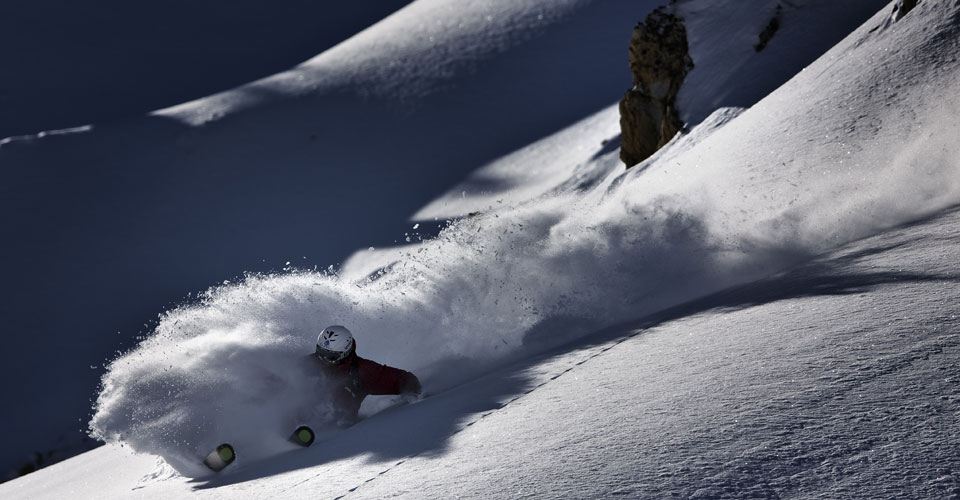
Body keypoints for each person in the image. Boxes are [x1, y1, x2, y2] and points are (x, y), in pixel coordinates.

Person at [312, 325, 421, 425]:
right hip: (305, 423)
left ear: (345, 353)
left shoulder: (363, 372)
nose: (323, 360)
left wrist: (410, 395)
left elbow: (405, 380)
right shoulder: (308, 364)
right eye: (320, 353)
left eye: (331, 357)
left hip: (336, 432)